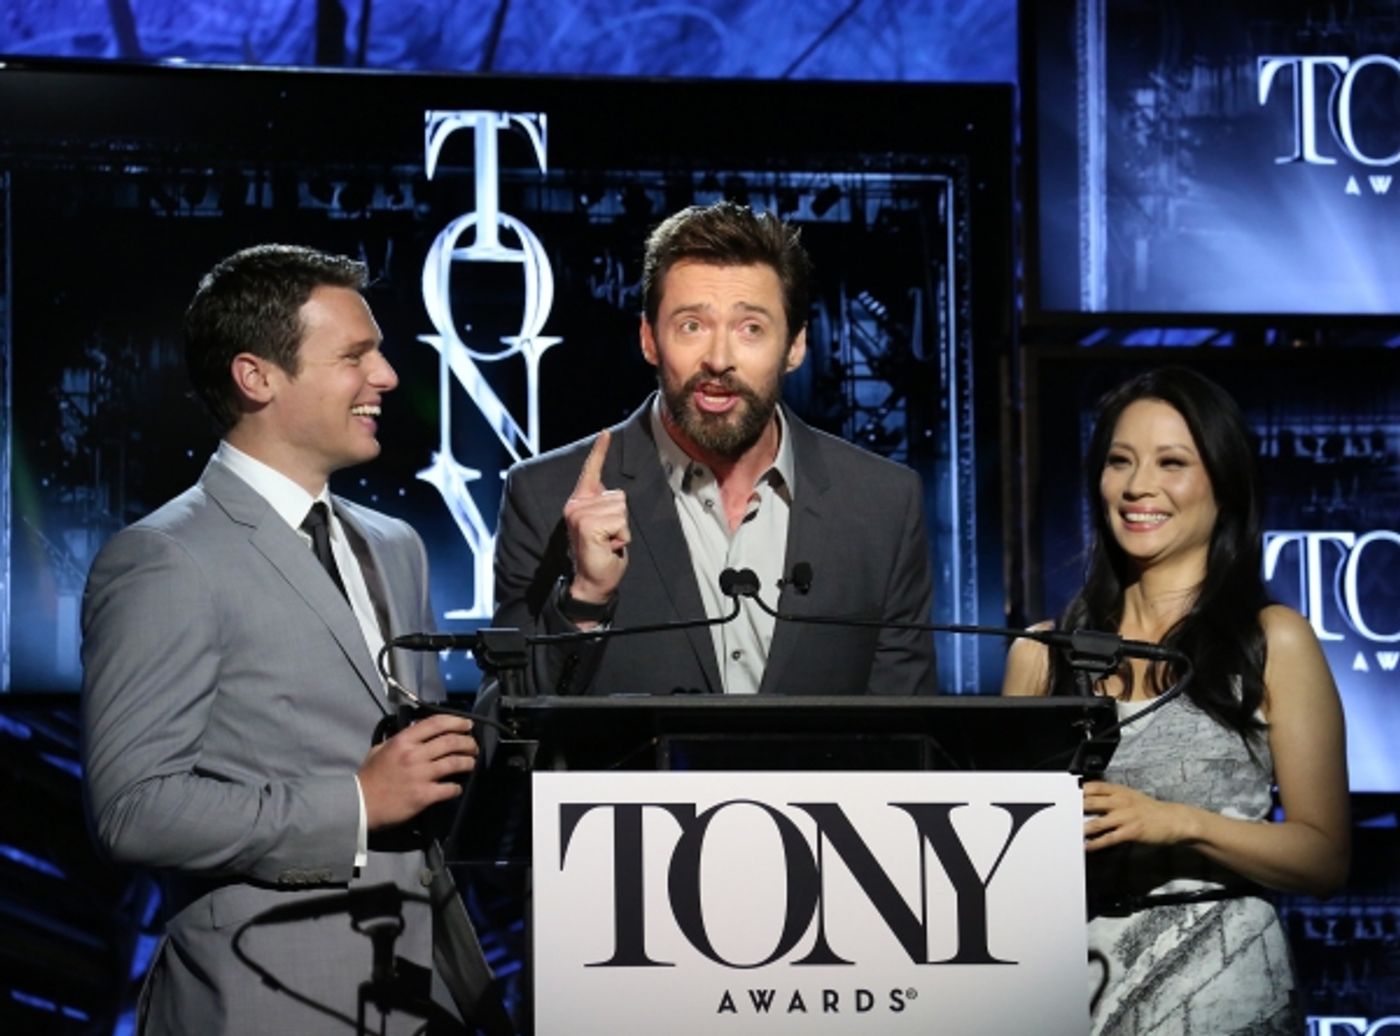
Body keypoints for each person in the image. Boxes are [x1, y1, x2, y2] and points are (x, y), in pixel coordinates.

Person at [81, 245, 507, 1035]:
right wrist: (352, 803)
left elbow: (427, 776)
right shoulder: (164, 558)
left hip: (421, 992)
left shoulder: (396, 545)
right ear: (258, 377)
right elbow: (133, 810)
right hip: (262, 993)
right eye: (356, 355)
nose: (384, 376)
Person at [1002, 366, 1350, 1034]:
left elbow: (1324, 857)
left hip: (1229, 994)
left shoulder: (1273, 640)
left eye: (1172, 463)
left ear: (1223, 484)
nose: (1138, 488)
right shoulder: (1039, 653)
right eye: (1119, 462)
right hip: (1077, 993)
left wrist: (1180, 823)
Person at [491, 200, 936, 696]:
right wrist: (585, 601)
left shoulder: (883, 505)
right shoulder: (545, 496)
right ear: (649, 340)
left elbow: (905, 737)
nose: (719, 359)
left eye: (751, 328)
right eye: (692, 326)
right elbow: (505, 728)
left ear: (795, 346)